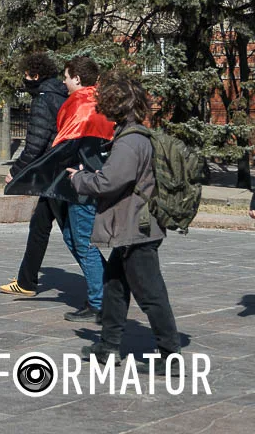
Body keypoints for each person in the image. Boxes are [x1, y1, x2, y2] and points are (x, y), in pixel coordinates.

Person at [70, 72, 180, 374]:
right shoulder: (134, 136)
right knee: (114, 286)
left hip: (136, 230)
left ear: (114, 106)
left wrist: (79, 178)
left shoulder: (129, 142)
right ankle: (108, 346)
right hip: (133, 227)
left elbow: (108, 182)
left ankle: (170, 355)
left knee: (151, 295)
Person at [0, 52, 70, 297]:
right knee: (40, 224)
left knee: (73, 235)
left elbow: (35, 145)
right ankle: (26, 281)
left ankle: (106, 285)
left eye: (26, 75)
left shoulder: (43, 99)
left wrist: (15, 172)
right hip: (58, 170)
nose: (24, 80)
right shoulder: (61, 95)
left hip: (54, 174)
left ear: (36, 75)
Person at [50, 55, 112, 323]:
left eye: (66, 77)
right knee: (71, 236)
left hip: (83, 183)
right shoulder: (97, 101)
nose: (63, 82)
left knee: (83, 242)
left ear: (77, 78)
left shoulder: (82, 104)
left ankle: (101, 302)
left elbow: (66, 144)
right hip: (88, 180)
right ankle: (109, 288)